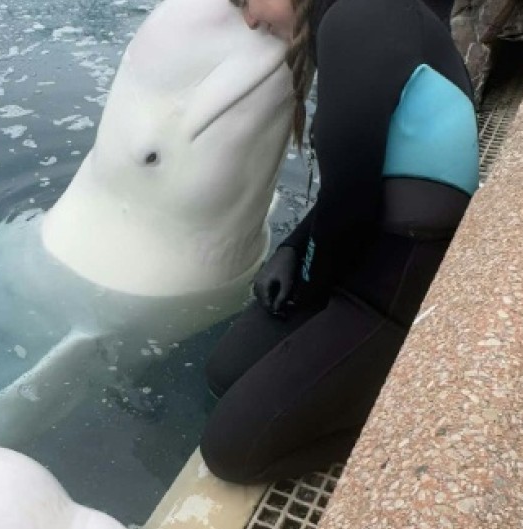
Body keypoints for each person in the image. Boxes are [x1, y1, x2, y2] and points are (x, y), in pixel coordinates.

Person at [200, 0, 479, 483]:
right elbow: (356, 181)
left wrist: (307, 280)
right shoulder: (347, 19)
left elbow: (350, 200)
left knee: (230, 453)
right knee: (225, 372)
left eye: (246, 1)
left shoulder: (363, 16)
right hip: (369, 247)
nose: (249, 20)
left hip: (402, 278)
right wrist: (292, 249)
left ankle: (404, 415)